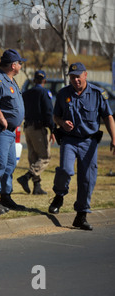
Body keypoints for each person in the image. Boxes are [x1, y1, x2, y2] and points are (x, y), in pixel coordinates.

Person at [48, 63, 115, 230]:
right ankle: (59, 195)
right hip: (70, 140)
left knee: (87, 179)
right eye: (72, 77)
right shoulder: (64, 93)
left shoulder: (98, 94)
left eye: (78, 76)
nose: (75, 79)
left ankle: (81, 215)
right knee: (65, 170)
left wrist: (114, 138)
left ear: (85, 75)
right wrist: (62, 123)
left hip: (89, 142)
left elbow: (108, 117)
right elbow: (56, 116)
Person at [0, 49, 27, 213]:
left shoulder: (10, 80)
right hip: (2, 131)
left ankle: (6, 196)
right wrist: (2, 118)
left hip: (11, 132)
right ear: (13, 65)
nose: (21, 65)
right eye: (20, 62)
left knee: (10, 165)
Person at [17, 70, 55, 195]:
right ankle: (26, 177)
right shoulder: (44, 93)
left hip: (27, 127)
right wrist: (53, 129)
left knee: (34, 158)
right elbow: (48, 112)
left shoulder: (26, 93)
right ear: (44, 81)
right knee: (44, 157)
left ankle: (37, 186)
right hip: (38, 128)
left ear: (34, 81)